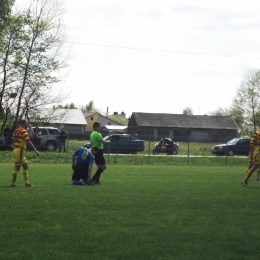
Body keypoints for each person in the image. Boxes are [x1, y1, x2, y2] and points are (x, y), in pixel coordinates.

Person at [10, 119, 39, 187]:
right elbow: (28, 141)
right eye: (27, 123)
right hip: (20, 150)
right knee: (17, 166)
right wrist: (35, 150)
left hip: (17, 149)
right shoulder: (23, 131)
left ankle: (27, 183)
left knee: (25, 165)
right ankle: (12, 183)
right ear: (25, 123)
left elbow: (13, 140)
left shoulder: (16, 130)